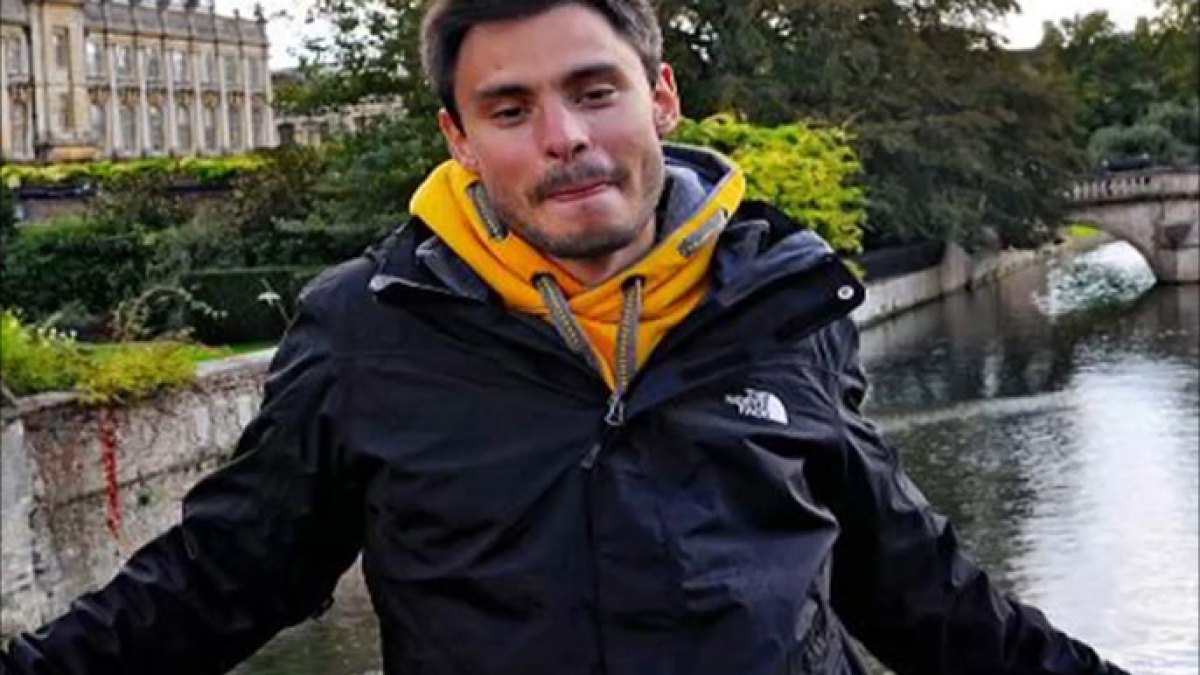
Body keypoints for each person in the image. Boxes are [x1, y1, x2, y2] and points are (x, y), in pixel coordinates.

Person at [2, 1, 1130, 674]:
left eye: (595, 91)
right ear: (458, 137)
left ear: (661, 97)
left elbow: (913, 586)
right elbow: (218, 581)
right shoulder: (367, 329)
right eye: (510, 109)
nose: (564, 138)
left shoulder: (780, 301)